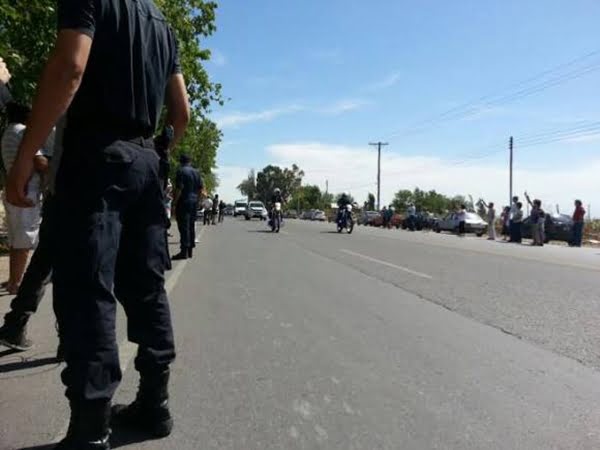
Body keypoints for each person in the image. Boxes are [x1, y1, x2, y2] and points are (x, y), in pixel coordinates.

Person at [5, 1, 190, 447]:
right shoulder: (162, 24)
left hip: (96, 157)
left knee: (88, 289)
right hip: (145, 161)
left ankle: (90, 427)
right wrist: (158, 152)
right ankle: (155, 403)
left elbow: (70, 68)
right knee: (146, 286)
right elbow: (181, 112)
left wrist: (26, 154)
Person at [0, 121, 59, 353]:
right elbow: (39, 160)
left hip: (55, 192)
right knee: (71, 264)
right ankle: (72, 339)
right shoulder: (27, 131)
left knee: (43, 261)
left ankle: (15, 323)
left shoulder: (14, 130)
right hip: (66, 187)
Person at [1, 103, 51, 294]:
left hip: (13, 189)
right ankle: (16, 283)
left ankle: (13, 279)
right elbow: (39, 161)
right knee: (24, 239)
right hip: (26, 191)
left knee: (15, 239)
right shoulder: (24, 132)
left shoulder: (8, 132)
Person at [173, 154, 203, 260]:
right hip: (194, 201)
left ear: (181, 161)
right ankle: (190, 250)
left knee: (184, 226)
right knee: (191, 225)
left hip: (184, 201)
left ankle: (184, 251)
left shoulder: (181, 171)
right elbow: (200, 189)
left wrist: (175, 203)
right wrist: (198, 201)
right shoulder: (197, 173)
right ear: (190, 161)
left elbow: (179, 189)